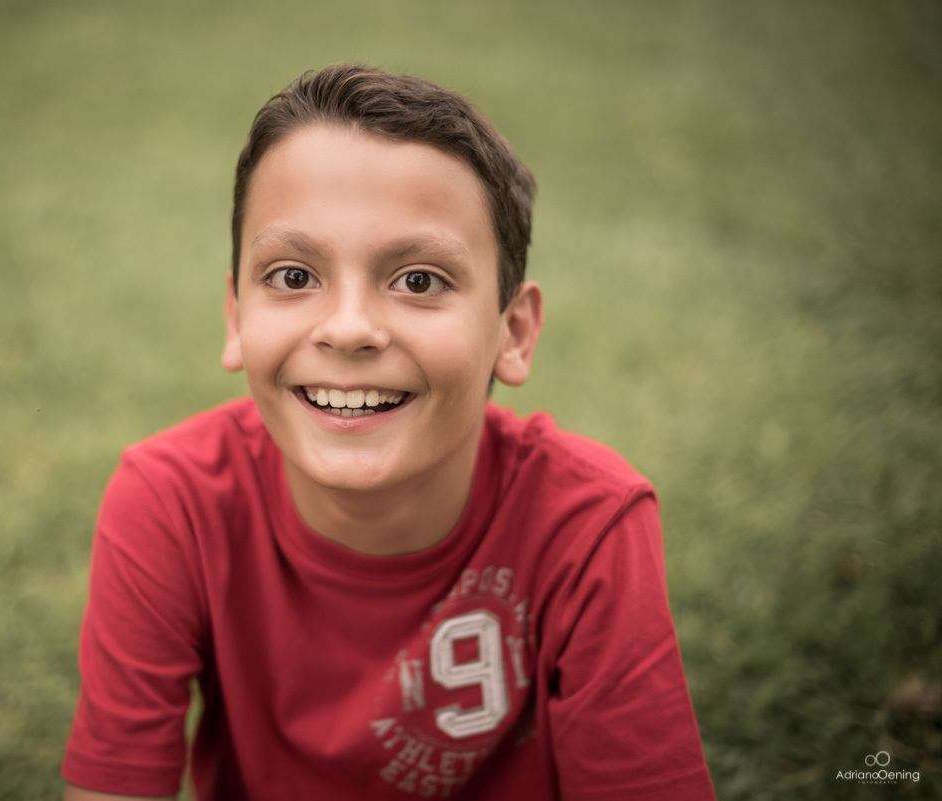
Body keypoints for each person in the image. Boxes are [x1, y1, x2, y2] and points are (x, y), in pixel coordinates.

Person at [61, 64, 715, 800]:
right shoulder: (171, 502)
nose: (348, 329)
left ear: (514, 332)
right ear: (237, 316)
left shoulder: (587, 527)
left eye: (419, 280)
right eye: (293, 275)